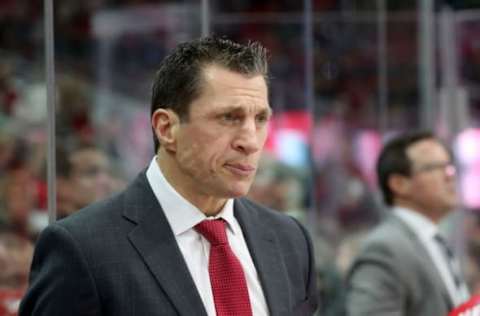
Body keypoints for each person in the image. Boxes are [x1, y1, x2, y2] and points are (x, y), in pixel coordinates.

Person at [19, 37, 318, 316]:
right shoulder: (81, 249)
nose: (251, 141)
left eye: (261, 119)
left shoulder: (290, 239)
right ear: (166, 129)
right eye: (229, 117)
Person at [345, 131, 470, 316]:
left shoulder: (434, 240)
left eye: (450, 166)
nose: (450, 175)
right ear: (398, 184)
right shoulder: (385, 248)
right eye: (436, 167)